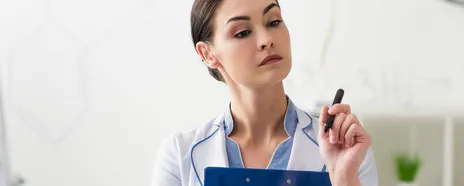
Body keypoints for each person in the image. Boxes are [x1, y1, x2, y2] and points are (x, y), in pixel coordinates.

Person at [151, 0, 379, 185]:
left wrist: (343, 177)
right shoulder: (179, 156)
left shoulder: (346, 149)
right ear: (208, 53)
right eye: (242, 32)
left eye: (273, 22)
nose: (267, 40)